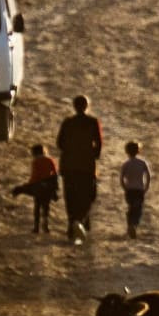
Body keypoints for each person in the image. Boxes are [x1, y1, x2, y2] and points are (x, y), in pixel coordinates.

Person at [55, 95, 104, 243]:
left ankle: (72, 226)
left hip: (69, 166)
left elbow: (59, 143)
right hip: (86, 166)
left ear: (74, 106)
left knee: (71, 196)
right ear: (87, 106)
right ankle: (81, 222)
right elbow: (99, 143)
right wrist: (93, 155)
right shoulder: (93, 122)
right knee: (88, 195)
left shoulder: (68, 122)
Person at [8, 143, 60, 233]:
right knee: (46, 207)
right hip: (49, 186)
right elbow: (55, 174)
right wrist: (55, 188)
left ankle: (36, 227)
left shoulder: (36, 162)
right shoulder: (51, 160)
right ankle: (46, 225)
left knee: (37, 206)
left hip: (39, 187)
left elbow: (35, 176)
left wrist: (28, 185)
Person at [119, 139, 152, 238]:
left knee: (131, 207)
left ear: (126, 151)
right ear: (138, 151)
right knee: (138, 209)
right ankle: (134, 225)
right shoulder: (142, 163)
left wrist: (124, 188)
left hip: (129, 190)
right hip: (139, 189)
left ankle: (130, 225)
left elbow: (121, 178)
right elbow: (148, 175)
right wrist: (146, 187)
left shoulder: (126, 164)